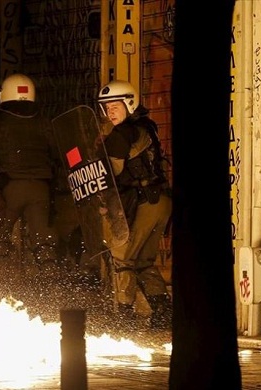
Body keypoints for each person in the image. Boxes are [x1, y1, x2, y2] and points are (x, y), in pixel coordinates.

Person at [0, 73, 59, 289]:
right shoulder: (44, 122)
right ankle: (52, 295)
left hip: (9, 189)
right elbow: (60, 153)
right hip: (41, 189)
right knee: (44, 244)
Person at [97, 79, 173, 329]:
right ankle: (162, 312)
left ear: (129, 103)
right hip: (160, 200)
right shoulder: (146, 126)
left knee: (122, 258)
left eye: (115, 106)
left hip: (144, 203)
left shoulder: (121, 134)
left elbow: (111, 172)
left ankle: (124, 315)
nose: (110, 112)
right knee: (144, 261)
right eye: (106, 108)